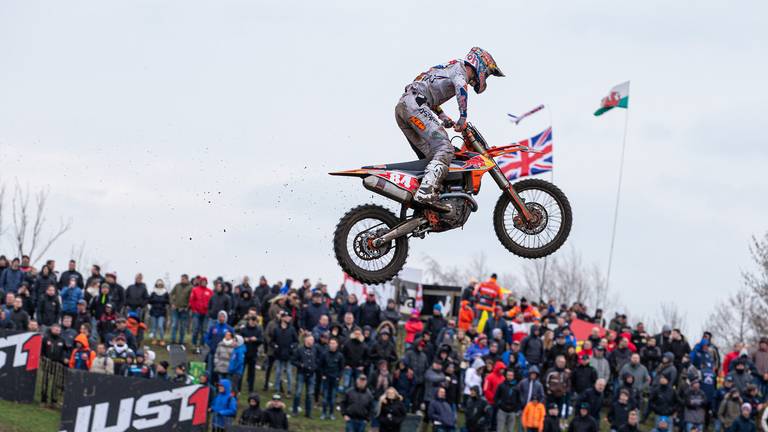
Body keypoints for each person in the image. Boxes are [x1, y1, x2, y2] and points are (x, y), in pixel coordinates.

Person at [396, 48, 503, 211]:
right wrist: (462, 117)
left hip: (405, 106)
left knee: (432, 155)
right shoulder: (460, 71)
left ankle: (424, 198)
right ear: (480, 64)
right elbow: (461, 87)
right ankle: (426, 192)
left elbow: (426, 90)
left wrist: (442, 116)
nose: (485, 77)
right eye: (486, 73)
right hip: (414, 106)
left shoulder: (448, 68)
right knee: (445, 148)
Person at [292, 334, 319, 417]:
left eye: (313, 340)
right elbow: (293, 361)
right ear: (306, 340)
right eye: (311, 340)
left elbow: (318, 359)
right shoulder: (299, 350)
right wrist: (301, 365)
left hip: (311, 374)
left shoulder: (315, 349)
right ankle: (295, 411)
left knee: (310, 394)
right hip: (301, 373)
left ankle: (308, 413)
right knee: (298, 393)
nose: (312, 342)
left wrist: (315, 366)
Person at [189, 276, 212, 353]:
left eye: (205, 282)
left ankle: (202, 344)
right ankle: (194, 344)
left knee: (204, 330)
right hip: (197, 312)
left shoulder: (209, 291)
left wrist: (209, 310)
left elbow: (212, 301)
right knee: (196, 329)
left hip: (206, 313)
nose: (203, 283)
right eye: (202, 281)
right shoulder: (195, 290)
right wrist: (194, 309)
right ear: (200, 282)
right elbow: (191, 300)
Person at [169, 274, 192, 345]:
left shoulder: (191, 287)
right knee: (174, 324)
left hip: (184, 310)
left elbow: (191, 299)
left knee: (182, 326)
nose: (182, 280)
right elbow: (171, 294)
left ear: (187, 279)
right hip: (175, 309)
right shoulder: (177, 285)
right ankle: (173, 340)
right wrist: (172, 303)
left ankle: (181, 341)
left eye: (183, 279)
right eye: (181, 279)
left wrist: (187, 307)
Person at [147, 279, 169, 345]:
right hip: (153, 311)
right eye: (158, 284)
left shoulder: (165, 292)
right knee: (154, 327)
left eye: (161, 284)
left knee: (160, 326)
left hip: (162, 312)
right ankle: (154, 339)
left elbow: (168, 302)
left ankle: (162, 340)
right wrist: (154, 300)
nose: (159, 285)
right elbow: (149, 301)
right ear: (156, 284)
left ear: (162, 285)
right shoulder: (153, 292)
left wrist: (163, 301)